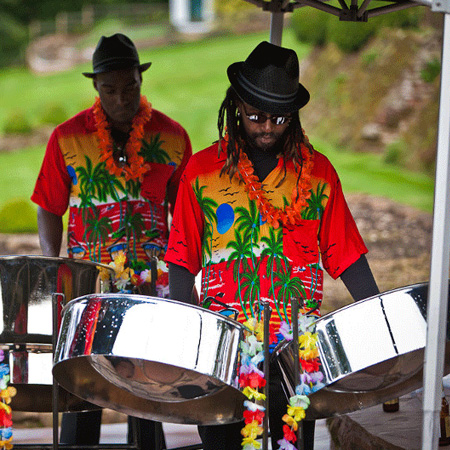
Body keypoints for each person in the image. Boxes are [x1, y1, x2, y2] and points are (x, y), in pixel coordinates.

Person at [165, 41, 380, 450]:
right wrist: (187, 339)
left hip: (294, 346)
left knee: (289, 443)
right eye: (256, 116)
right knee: (222, 442)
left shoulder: (317, 173)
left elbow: (346, 254)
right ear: (236, 107)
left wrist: (383, 329)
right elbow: (182, 258)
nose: (267, 127)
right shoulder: (202, 170)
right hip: (225, 346)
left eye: (280, 118)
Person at [31, 33, 192, 448]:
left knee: (148, 391)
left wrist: (183, 280)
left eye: (130, 87)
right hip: (90, 285)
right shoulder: (67, 138)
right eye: (110, 89)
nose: (121, 98)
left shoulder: (172, 138)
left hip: (151, 288)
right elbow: (49, 205)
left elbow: (187, 217)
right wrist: (55, 267)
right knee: (85, 389)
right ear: (95, 86)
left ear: (141, 78)